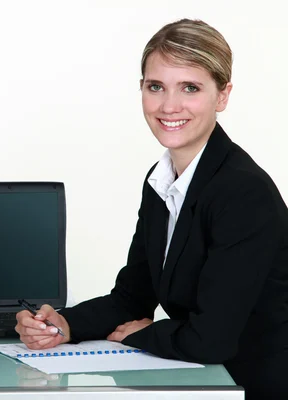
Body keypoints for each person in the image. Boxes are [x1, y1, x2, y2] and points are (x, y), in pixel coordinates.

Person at [15, 19, 288, 399]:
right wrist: (64, 323)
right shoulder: (161, 180)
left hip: (256, 386)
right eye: (155, 86)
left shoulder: (243, 192)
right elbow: (133, 296)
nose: (169, 105)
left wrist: (143, 335)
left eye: (190, 88)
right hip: (204, 381)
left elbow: (212, 339)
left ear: (222, 96)